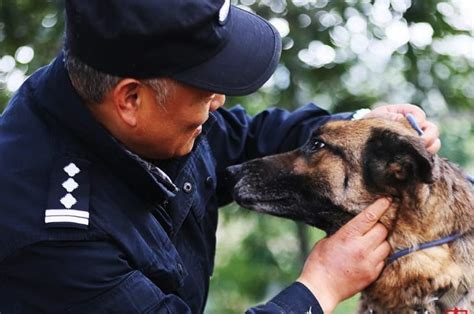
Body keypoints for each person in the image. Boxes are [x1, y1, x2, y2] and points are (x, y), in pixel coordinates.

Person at [0, 1, 440, 313]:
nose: (219, 101)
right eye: (205, 87)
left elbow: (249, 137)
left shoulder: (139, 108)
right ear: (131, 99)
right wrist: (318, 288)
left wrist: (365, 125)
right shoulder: (51, 235)